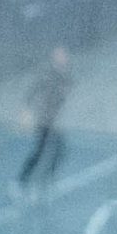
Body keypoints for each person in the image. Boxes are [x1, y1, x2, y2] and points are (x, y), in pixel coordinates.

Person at [16, 47, 74, 197]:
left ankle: (46, 180)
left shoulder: (65, 75)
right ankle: (22, 181)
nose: (64, 58)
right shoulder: (48, 75)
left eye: (64, 55)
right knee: (41, 152)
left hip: (54, 120)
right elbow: (32, 92)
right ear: (54, 58)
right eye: (61, 56)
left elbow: (64, 94)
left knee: (58, 151)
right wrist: (26, 111)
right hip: (44, 120)